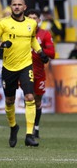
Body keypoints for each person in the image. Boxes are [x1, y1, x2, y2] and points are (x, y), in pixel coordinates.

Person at [0, 0, 49, 147]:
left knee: (29, 97)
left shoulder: (31, 24)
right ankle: (13, 127)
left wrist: (40, 52)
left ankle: (29, 135)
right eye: (14, 4)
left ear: (24, 7)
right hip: (9, 67)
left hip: (26, 65)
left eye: (19, 4)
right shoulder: (3, 23)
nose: (16, 7)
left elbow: (32, 39)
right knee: (9, 101)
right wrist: (1, 45)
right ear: (10, 6)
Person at [25, 9, 55, 138]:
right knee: (29, 99)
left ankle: (36, 127)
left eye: (35, 18)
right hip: (24, 71)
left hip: (39, 73)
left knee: (37, 101)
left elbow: (52, 53)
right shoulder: (21, 33)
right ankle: (29, 130)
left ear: (39, 20)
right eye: (30, 17)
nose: (32, 20)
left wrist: (39, 49)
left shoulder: (45, 34)